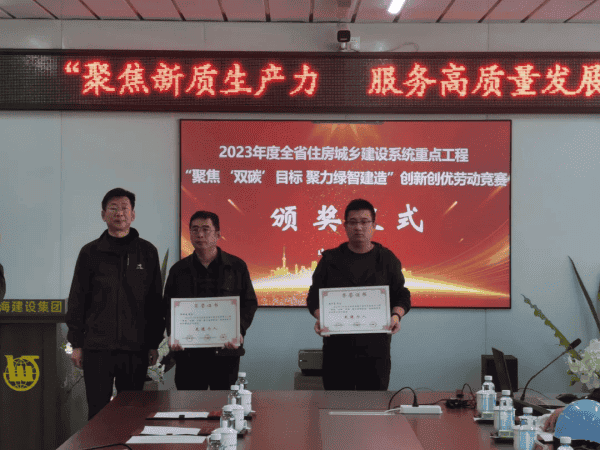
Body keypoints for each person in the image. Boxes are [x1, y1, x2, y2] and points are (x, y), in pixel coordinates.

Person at [66, 188, 164, 420]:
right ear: (103, 215)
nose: (119, 213)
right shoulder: (90, 252)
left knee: (131, 411)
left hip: (135, 348)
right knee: (97, 411)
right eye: (113, 208)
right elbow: (78, 299)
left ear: (133, 215)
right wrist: (77, 344)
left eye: (124, 208)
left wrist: (153, 344)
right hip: (98, 347)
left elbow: (155, 302)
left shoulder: (147, 252)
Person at [307, 199, 411, 390]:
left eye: (364, 222)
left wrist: (396, 316)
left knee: (374, 405)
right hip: (337, 351)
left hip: (375, 352)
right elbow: (313, 297)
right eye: (353, 222)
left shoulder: (386, 259)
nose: (358, 227)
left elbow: (402, 294)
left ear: (374, 225)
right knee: (336, 404)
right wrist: (322, 317)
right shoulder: (330, 260)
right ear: (345, 226)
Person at [164, 210, 257, 390]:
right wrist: (174, 334)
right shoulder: (178, 270)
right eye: (194, 230)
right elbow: (168, 307)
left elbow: (249, 303)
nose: (200, 234)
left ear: (218, 234)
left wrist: (238, 330)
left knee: (223, 402)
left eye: (206, 229)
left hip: (225, 353)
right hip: (188, 356)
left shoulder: (236, 267)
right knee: (189, 403)